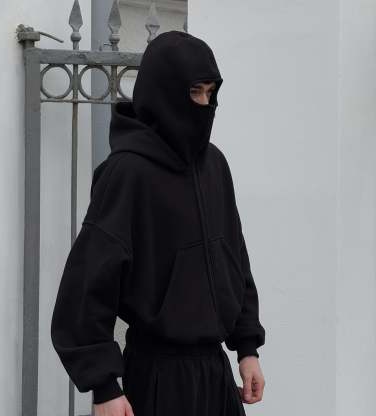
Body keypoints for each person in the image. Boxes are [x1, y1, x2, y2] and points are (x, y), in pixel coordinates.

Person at [51, 30, 266, 416]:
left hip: (215, 376)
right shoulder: (127, 173)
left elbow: (235, 259)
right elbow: (86, 287)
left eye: (210, 93)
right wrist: (104, 386)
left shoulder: (215, 166)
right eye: (194, 92)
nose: (205, 104)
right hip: (157, 379)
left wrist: (247, 348)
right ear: (165, 93)